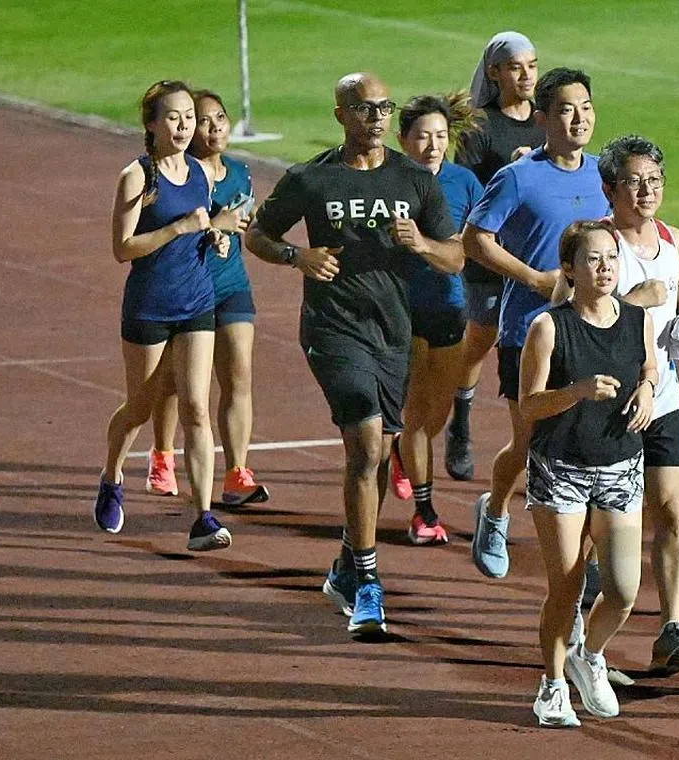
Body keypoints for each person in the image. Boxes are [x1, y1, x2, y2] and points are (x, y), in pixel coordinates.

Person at [246, 73, 463, 634]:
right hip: (332, 328)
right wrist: (298, 257)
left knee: (377, 450)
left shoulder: (414, 179)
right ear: (340, 113)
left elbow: (456, 257)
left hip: (393, 333)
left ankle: (346, 562)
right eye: (364, 108)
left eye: (384, 107)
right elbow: (258, 235)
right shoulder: (311, 178)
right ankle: (368, 581)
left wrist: (421, 244)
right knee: (367, 443)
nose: (377, 117)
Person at [463, 67, 610, 579]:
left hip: (593, 329)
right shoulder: (519, 177)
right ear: (543, 118)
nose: (579, 118)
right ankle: (496, 508)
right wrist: (533, 279)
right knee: (530, 444)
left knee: (591, 451)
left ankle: (582, 559)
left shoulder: (604, 174)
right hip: (529, 330)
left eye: (586, 107)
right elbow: (475, 239)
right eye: (567, 109)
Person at [522, 220, 656, 727]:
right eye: (594, 259)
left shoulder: (636, 318)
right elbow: (529, 406)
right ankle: (552, 685)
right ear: (571, 269)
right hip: (562, 468)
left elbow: (649, 367)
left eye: (612, 258)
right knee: (568, 586)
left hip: (621, 464)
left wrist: (646, 388)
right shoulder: (550, 327)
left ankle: (589, 655)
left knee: (623, 589)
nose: (605, 268)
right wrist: (577, 391)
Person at [92, 79, 233, 552]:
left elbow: (203, 223)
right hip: (150, 306)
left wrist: (215, 236)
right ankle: (112, 474)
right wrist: (177, 228)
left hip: (196, 302)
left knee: (196, 406)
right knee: (142, 407)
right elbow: (121, 248)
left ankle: (203, 517)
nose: (185, 124)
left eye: (189, 116)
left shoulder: (200, 171)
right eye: (173, 116)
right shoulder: (137, 176)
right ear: (151, 124)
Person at [597, 135, 679, 674]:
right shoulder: (597, 245)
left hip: (664, 396)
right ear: (609, 189)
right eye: (635, 182)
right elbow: (574, 316)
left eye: (655, 181)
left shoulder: (673, 239)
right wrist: (629, 303)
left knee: (670, 506)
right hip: (610, 401)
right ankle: (584, 631)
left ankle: (672, 626)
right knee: (612, 519)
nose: (646, 191)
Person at [145, 89, 269, 507]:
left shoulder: (241, 172)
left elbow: (246, 225)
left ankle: (237, 472)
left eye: (220, 118)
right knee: (174, 384)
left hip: (232, 283)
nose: (214, 127)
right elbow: (174, 226)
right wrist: (215, 224)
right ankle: (162, 456)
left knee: (239, 376)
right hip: (186, 288)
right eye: (203, 120)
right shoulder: (182, 175)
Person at [446, 31, 546, 481]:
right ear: (494, 73)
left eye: (532, 66)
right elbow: (466, 189)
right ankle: (461, 422)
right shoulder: (481, 127)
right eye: (515, 67)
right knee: (482, 340)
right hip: (493, 256)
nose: (526, 76)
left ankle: (542, 450)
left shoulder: (547, 120)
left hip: (539, 252)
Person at [389, 92, 484, 545]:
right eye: (423, 137)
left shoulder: (464, 182)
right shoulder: (386, 181)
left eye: (441, 137)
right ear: (403, 140)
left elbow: (477, 241)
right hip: (400, 309)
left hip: (448, 305)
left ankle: (402, 452)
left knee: (436, 416)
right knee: (414, 413)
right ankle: (425, 513)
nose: (432, 146)